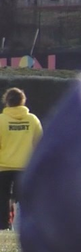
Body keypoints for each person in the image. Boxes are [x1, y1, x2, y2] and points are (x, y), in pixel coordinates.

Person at [0, 87, 42, 231]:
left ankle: (3, 227)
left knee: (2, 198)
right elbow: (39, 143)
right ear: (23, 101)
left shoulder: (1, 120)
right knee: (24, 199)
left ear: (6, 101)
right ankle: (25, 227)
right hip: (25, 166)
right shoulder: (32, 120)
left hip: (3, 167)